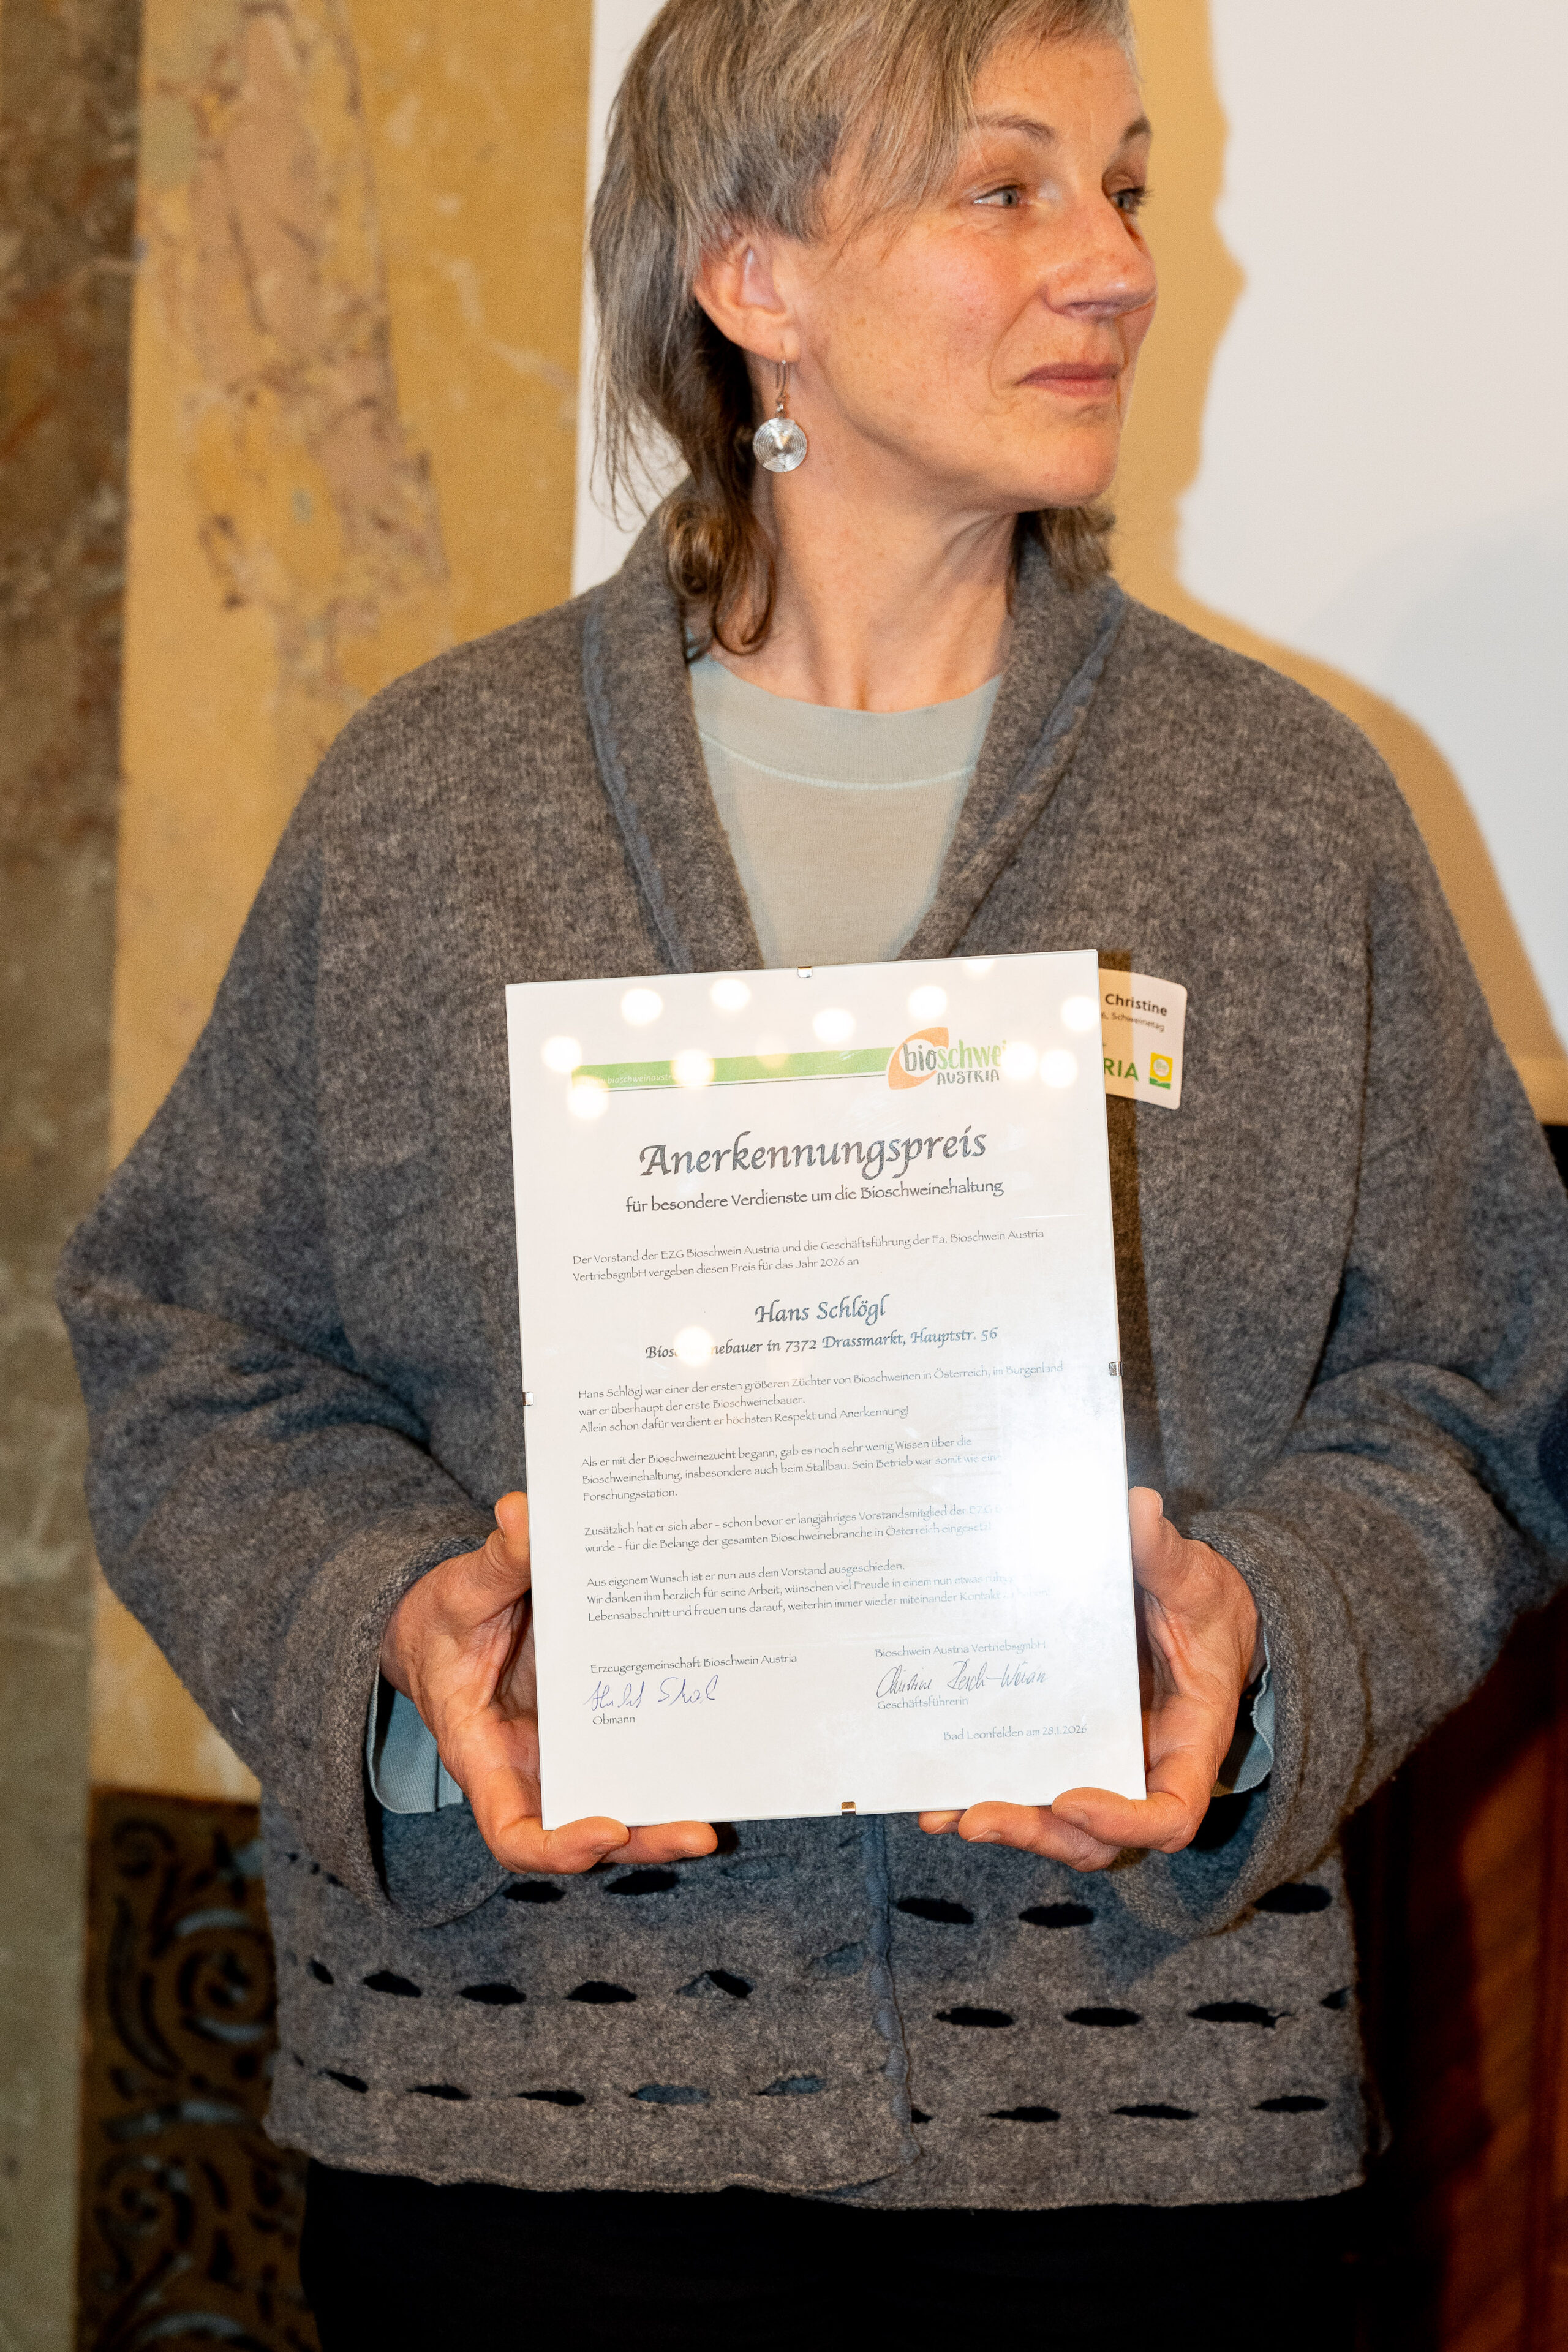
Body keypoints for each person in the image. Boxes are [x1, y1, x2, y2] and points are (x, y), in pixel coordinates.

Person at [59, 0, 1568, 2345]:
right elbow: (188, 1348)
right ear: (753, 274)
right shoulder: (435, 800)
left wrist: (1271, 1643)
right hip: (524, 2139)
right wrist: (392, 1627)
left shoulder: (1285, 814)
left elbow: (1486, 1379)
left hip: (1143, 2145)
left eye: (1126, 186)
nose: (1120, 264)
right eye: (1007, 186)